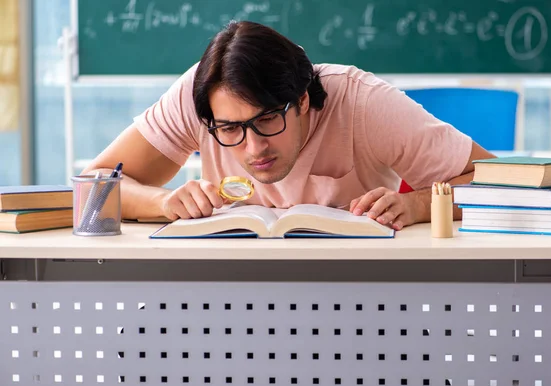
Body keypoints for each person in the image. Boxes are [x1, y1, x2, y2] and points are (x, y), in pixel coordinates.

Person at [82, 20, 496, 231]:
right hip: (227, 301)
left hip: (365, 298)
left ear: (301, 100)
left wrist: (419, 205)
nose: (253, 149)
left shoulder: (363, 103)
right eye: (229, 130)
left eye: (267, 120)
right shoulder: (200, 94)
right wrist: (162, 202)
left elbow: (499, 183)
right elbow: (91, 187)